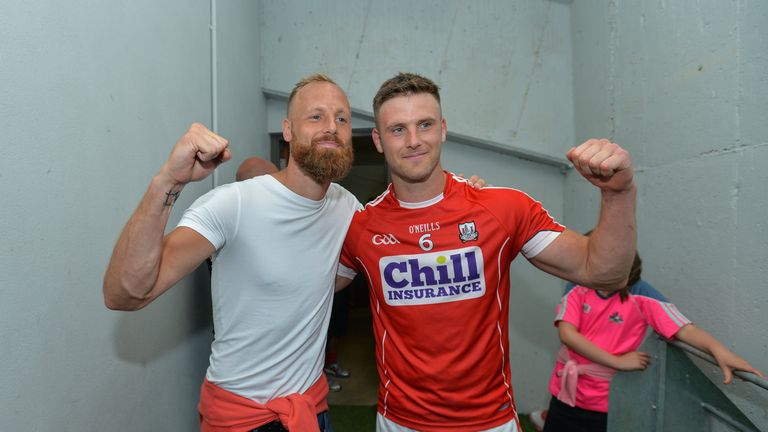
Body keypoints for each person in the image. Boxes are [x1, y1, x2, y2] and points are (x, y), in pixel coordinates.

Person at [335, 72, 638, 432]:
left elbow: (604, 272)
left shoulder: (502, 208)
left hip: (489, 422)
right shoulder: (360, 228)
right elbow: (302, 294)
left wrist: (618, 194)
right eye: (398, 129)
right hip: (400, 421)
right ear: (379, 140)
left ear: (443, 129)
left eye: (425, 125)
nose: (414, 140)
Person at [103, 74, 360, 432]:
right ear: (287, 130)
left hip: (311, 411)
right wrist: (168, 181)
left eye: (342, 118)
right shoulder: (233, 204)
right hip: (241, 418)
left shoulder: (347, 208)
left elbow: (337, 275)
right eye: (315, 116)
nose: (331, 127)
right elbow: (125, 293)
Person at [541, 251, 764, 432]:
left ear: (629, 273)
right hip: (566, 394)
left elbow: (685, 330)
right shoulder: (578, 284)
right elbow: (568, 335)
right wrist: (616, 361)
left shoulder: (641, 294)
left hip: (608, 401)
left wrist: (718, 350)